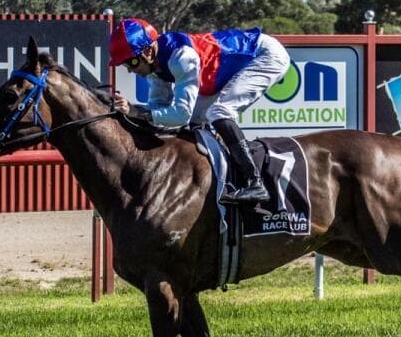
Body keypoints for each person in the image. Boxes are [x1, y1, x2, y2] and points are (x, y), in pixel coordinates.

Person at [108, 18, 291, 204]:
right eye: (125, 65)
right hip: (235, 62)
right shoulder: (154, 67)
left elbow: (180, 115)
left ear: (148, 51)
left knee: (219, 112)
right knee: (198, 118)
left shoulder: (182, 57)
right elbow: (158, 111)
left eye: (131, 62)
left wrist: (138, 112)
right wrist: (132, 111)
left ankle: (255, 183)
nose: (130, 70)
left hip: (264, 54)